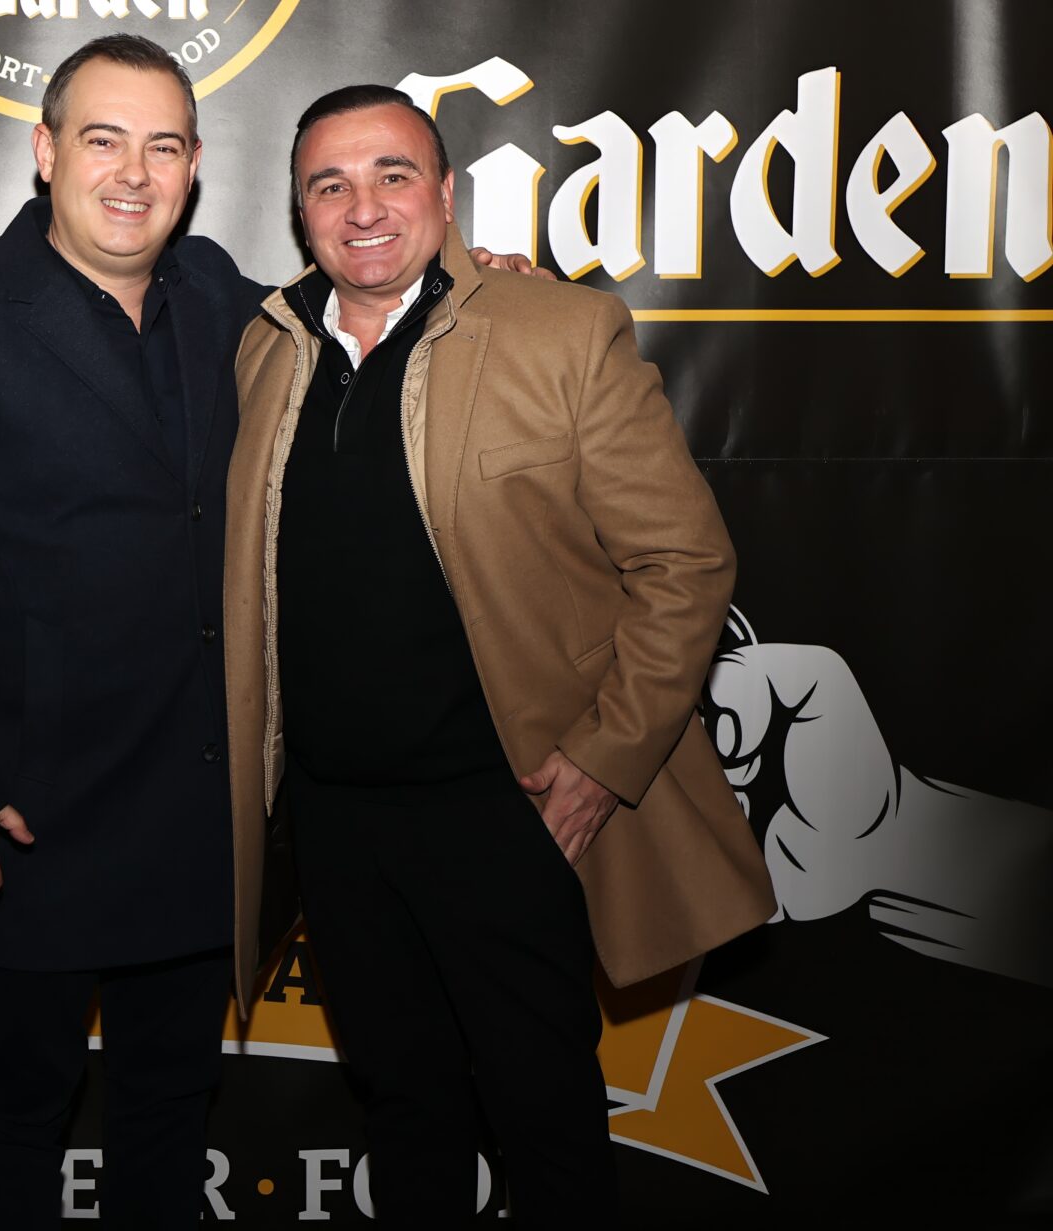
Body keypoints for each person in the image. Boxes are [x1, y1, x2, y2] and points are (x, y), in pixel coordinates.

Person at [0, 42, 541, 1225]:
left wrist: (480, 283)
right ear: (44, 153)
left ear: (195, 165)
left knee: (171, 1108)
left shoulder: (221, 296)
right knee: (18, 1108)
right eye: (104, 140)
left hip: (194, 810)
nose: (134, 172)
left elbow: (368, 296)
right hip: (29, 814)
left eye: (162, 145)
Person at [222, 85, 774, 1223]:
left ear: (444, 192)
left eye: (392, 175)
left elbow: (686, 562)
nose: (363, 207)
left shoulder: (561, 331)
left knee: (545, 1115)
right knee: (402, 1110)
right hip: (334, 822)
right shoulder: (266, 350)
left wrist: (605, 759)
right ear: (299, 211)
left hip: (507, 811)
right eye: (330, 185)